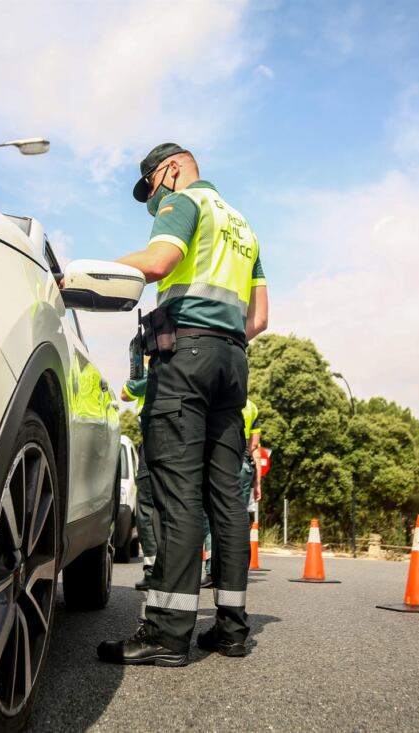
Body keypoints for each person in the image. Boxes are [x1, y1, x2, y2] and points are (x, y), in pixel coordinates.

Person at [97, 143, 268, 666]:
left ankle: (168, 634)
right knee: (226, 501)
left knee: (175, 494)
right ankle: (232, 629)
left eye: (151, 190)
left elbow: (157, 262)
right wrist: (220, 341)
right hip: (232, 365)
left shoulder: (184, 202)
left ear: (168, 170)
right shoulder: (243, 227)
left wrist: (88, 271)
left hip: (185, 359)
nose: (153, 202)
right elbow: (258, 319)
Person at [201, 398, 263, 580]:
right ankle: (237, 569)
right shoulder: (252, 407)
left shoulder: (216, 400)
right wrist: (257, 483)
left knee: (211, 515)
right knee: (238, 517)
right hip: (243, 466)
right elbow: (254, 449)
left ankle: (212, 569)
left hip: (219, 461)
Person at [120, 365, 157, 592]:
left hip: (156, 437)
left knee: (147, 506)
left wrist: (142, 369)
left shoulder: (153, 365)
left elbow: (125, 393)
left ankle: (153, 569)